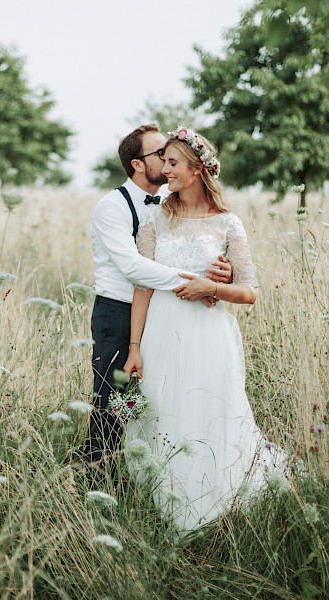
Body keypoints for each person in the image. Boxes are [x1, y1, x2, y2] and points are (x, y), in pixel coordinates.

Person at [122, 127, 281, 532]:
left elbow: (250, 291)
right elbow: (142, 286)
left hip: (209, 336)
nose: (165, 169)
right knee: (164, 412)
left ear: (196, 171)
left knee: (210, 411)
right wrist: (134, 346)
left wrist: (213, 287)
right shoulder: (157, 217)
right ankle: (165, 506)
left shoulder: (228, 224)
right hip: (161, 331)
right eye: (164, 162)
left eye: (173, 163)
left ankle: (214, 504)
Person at [85, 124, 233, 472]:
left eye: (172, 157)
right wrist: (192, 283)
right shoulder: (111, 207)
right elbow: (132, 267)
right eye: (160, 156)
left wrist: (219, 278)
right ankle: (97, 482)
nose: (167, 162)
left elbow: (199, 247)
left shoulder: (171, 206)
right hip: (119, 314)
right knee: (112, 406)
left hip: (163, 315)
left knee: (157, 405)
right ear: (138, 164)